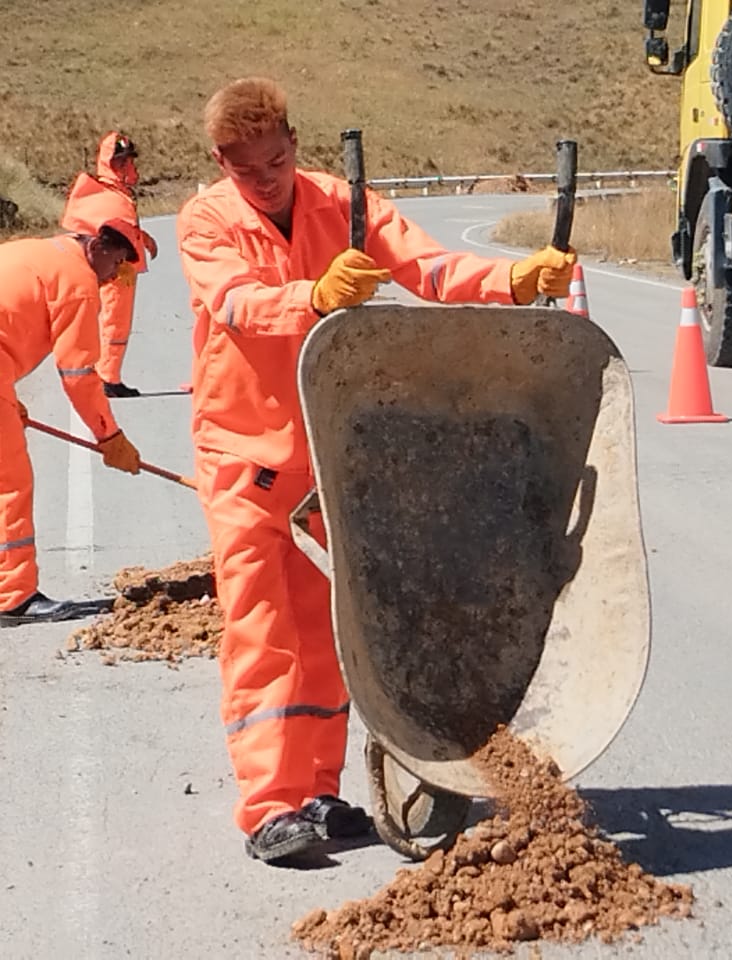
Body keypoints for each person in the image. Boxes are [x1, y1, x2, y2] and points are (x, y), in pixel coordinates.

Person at [175, 76, 579, 866]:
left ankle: (320, 792)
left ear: (296, 139)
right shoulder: (206, 220)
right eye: (251, 170)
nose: (270, 179)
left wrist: (512, 280)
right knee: (263, 631)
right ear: (223, 163)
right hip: (245, 459)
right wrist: (312, 296)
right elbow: (234, 303)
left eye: (280, 159)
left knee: (335, 632)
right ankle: (268, 805)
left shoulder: (341, 202)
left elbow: (427, 268)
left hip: (333, 455)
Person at [0, 205, 146, 626]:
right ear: (98, 246)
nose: (112, 276)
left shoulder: (44, 251)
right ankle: (13, 596)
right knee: (10, 482)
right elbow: (79, 375)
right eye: (115, 262)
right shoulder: (79, 282)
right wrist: (109, 437)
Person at [60, 131, 160, 398]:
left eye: (127, 160)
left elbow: (123, 229)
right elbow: (112, 232)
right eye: (121, 161)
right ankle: (108, 377)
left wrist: (143, 239)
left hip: (120, 268)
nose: (127, 166)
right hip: (118, 272)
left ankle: (106, 374)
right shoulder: (106, 194)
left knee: (113, 320)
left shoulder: (113, 191)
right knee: (114, 321)